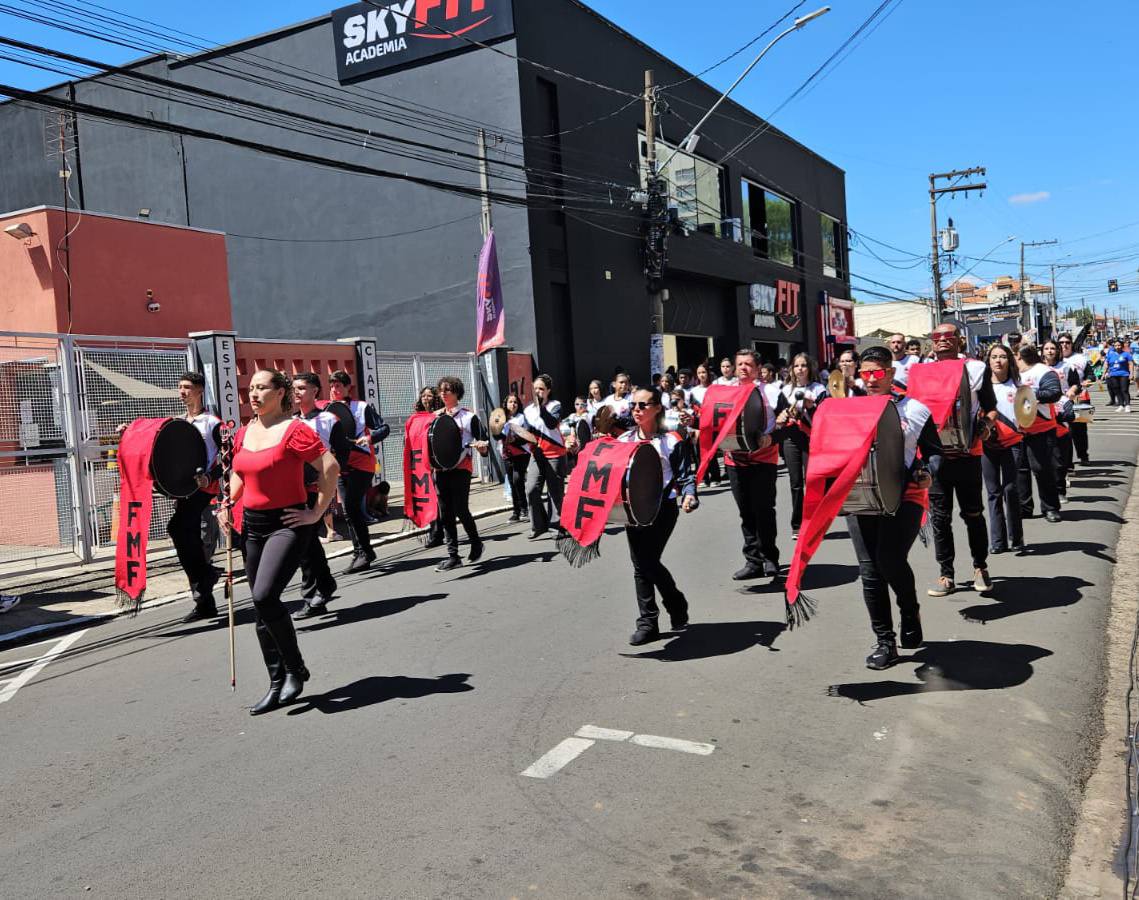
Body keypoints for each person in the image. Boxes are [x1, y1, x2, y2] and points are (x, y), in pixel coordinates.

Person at [219, 369, 339, 715]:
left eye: (261, 388)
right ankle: (278, 681)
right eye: (251, 388)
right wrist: (229, 502)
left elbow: (329, 468)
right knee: (262, 608)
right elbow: (240, 471)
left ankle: (296, 669)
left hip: (287, 523)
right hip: (253, 525)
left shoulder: (294, 430)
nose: (253, 394)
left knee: (264, 595)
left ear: (280, 392)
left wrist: (315, 514)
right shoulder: (246, 431)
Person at [843, 346, 942, 669]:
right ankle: (885, 641)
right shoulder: (848, 408)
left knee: (889, 558)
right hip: (862, 496)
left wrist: (927, 471)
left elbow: (934, 452)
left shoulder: (914, 410)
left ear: (890, 373)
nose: (871, 380)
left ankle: (909, 609)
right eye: (865, 373)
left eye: (877, 373)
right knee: (870, 570)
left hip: (906, 494)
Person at [120, 371, 224, 624]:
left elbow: (229, 456)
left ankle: (207, 578)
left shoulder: (213, 423)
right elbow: (157, 446)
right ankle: (205, 599)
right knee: (186, 536)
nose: (182, 392)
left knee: (178, 528)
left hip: (204, 489)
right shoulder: (177, 422)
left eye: (187, 387)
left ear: (200, 390)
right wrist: (130, 431)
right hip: (184, 490)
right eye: (179, 387)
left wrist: (210, 477)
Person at [610, 387, 700, 646]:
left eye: (643, 405)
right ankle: (649, 622)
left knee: (647, 560)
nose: (637, 410)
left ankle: (673, 602)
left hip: (664, 507)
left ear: (657, 408)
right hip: (633, 511)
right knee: (641, 565)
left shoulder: (671, 440)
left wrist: (690, 495)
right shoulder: (625, 440)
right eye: (634, 405)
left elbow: (685, 475)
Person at [923, 324, 997, 599]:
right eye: (937, 337)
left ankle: (980, 567)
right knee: (940, 519)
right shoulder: (923, 372)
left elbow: (991, 408)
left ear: (959, 341)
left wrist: (986, 427)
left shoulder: (976, 369)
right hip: (936, 457)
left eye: (948, 337)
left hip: (968, 454)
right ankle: (946, 574)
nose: (942, 341)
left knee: (973, 514)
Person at [291, 372, 354, 619]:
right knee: (306, 540)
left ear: (315, 391)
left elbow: (342, 453)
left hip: (318, 489)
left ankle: (312, 595)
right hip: (293, 488)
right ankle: (324, 586)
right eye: (294, 388)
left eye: (302, 388)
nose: (296, 392)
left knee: (304, 539)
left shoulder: (329, 419)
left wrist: (329, 479)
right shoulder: (290, 421)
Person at [723, 349, 785, 583]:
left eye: (748, 364)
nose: (743, 368)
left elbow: (788, 424)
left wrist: (772, 438)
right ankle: (753, 561)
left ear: (758, 369)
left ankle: (770, 557)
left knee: (764, 510)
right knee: (746, 512)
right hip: (734, 460)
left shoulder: (773, 392)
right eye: (740, 364)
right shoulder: (725, 392)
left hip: (764, 459)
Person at [327, 371, 390, 573]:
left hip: (362, 464)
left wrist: (370, 439)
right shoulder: (327, 410)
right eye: (332, 386)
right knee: (348, 511)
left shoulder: (361, 407)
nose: (335, 390)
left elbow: (384, 428)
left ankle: (365, 552)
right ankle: (359, 553)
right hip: (340, 466)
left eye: (338, 386)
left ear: (348, 388)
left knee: (353, 507)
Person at [433, 376, 489, 571]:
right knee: (445, 512)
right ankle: (453, 555)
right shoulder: (436, 417)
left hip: (461, 468)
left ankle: (475, 541)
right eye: (441, 390)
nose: (443, 393)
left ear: (457, 393)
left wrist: (482, 448)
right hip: (440, 470)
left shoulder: (468, 417)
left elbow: (483, 439)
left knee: (460, 509)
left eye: (447, 389)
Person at [776, 353, 827, 538]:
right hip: (791, 439)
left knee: (812, 481)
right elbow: (778, 416)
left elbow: (823, 420)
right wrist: (781, 418)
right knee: (795, 483)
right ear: (792, 368)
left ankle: (815, 521)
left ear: (809, 368)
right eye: (796, 366)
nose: (800, 369)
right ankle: (797, 524)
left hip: (812, 439)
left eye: (803, 365)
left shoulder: (819, 389)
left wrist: (810, 406)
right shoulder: (786, 390)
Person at [982, 344, 1025, 554]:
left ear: (1010, 360)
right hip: (987, 445)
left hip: (1013, 443)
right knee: (993, 492)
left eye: (1002, 357)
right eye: (993, 357)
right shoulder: (980, 388)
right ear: (988, 361)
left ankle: (1016, 537)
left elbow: (1029, 413)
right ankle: (997, 542)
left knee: (1010, 489)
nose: (998, 361)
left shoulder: (1018, 386)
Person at [1015, 345, 1064, 524]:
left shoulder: (1043, 371)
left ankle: (1050, 508)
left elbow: (1054, 393)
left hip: (1041, 428)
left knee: (1042, 469)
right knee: (1020, 471)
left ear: (1019, 356)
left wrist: (1028, 394)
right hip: (1017, 431)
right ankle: (1024, 507)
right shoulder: (1011, 375)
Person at [524, 374, 567, 539]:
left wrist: (540, 407)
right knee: (531, 488)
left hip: (555, 453)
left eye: (541, 389)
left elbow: (551, 423)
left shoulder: (555, 405)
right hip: (537, 453)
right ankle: (539, 526)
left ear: (548, 390)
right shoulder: (528, 410)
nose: (537, 392)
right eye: (535, 389)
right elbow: (529, 432)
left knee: (555, 492)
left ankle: (557, 527)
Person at [414, 386, 446, 549]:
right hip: (422, 463)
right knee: (431, 499)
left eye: (429, 396)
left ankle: (440, 531)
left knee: (440, 499)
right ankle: (436, 532)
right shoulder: (417, 418)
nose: (426, 398)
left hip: (437, 463)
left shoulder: (440, 415)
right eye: (423, 396)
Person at [1042, 339, 1073, 500]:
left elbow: (1075, 383)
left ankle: (1061, 489)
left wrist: (1071, 393)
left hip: (1061, 409)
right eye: (1046, 348)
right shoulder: (1037, 369)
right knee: (1045, 460)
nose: (1049, 351)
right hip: (1042, 412)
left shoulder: (1065, 366)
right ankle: (1051, 493)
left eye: (1052, 348)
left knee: (1060, 459)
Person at [495, 392, 530, 523]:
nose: (513, 404)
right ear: (505, 404)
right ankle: (516, 511)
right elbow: (496, 435)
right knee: (511, 481)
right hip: (506, 453)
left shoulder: (521, 418)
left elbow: (525, 435)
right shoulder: (501, 418)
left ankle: (524, 509)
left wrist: (513, 438)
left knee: (517, 480)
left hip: (521, 453)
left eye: (515, 402)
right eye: (510, 402)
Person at [1058, 332, 1092, 465]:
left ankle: (1084, 455)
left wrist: (1088, 380)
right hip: (1060, 400)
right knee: (1065, 431)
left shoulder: (1081, 358)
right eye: (1061, 343)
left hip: (1081, 397)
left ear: (1071, 344)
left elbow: (1091, 375)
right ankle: (1067, 462)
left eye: (1067, 342)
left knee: (1081, 430)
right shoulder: (1054, 359)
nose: (1064, 345)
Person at [689, 361, 721, 486]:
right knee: (698, 450)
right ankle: (703, 477)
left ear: (708, 373)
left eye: (703, 372)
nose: (701, 375)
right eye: (699, 373)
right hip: (699, 424)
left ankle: (715, 477)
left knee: (711, 451)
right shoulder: (694, 391)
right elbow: (692, 409)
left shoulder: (714, 389)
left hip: (712, 423)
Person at [1105, 338, 1135, 412]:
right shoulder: (1110, 354)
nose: (1117, 347)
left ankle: (1127, 405)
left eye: (1119, 345)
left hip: (1124, 374)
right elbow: (1106, 364)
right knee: (1116, 389)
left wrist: (1131, 373)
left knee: (1124, 390)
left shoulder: (1126, 354)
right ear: (1114, 346)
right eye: (1116, 345)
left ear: (1122, 346)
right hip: (1113, 374)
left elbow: (1131, 364)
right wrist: (1105, 373)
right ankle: (1121, 404)